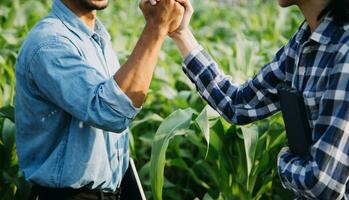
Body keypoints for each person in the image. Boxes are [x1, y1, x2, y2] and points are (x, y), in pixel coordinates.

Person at [150, 0, 349, 198]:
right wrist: (180, 32)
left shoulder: (344, 52)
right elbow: (238, 103)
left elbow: (322, 183)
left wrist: (282, 158)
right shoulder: (306, 39)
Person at [14, 0, 187, 199]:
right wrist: (156, 27)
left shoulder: (95, 36)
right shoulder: (49, 43)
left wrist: (173, 28)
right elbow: (110, 112)